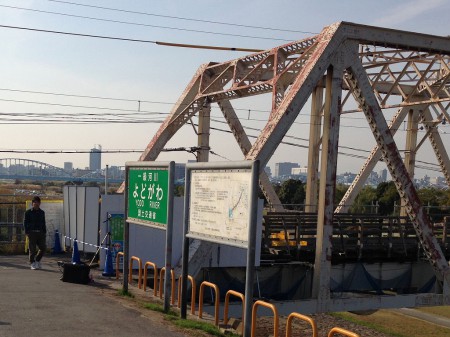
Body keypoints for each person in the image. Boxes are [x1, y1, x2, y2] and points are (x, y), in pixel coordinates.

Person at [24, 196, 46, 270]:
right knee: (32, 249)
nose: (36, 204)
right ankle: (32, 263)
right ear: (32, 203)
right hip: (32, 232)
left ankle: (37, 260)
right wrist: (26, 231)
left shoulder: (42, 212)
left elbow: (43, 222)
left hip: (40, 232)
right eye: (35, 202)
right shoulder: (28, 212)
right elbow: (25, 222)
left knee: (43, 248)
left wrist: (44, 231)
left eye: (37, 202)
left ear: (40, 203)